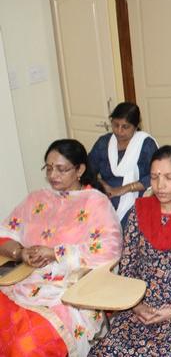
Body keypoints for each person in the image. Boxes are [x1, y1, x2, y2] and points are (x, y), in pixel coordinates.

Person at [89, 146, 171, 356]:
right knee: (107, 351)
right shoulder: (140, 210)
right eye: (154, 177)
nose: (160, 185)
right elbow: (128, 261)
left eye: (169, 177)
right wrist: (136, 305)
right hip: (140, 300)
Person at [0, 139, 122, 356]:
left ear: (79, 170)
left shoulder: (95, 203)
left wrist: (56, 253)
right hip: (22, 279)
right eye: (48, 168)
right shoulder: (37, 198)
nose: (53, 175)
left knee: (26, 346)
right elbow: (6, 232)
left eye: (61, 169)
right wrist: (21, 252)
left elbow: (109, 249)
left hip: (65, 287)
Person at [88, 102, 158, 224]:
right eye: (115, 125)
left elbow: (156, 176)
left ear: (136, 127)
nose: (119, 131)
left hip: (137, 196)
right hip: (106, 195)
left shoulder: (146, 144)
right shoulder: (104, 142)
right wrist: (105, 186)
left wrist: (123, 189)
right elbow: (88, 169)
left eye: (125, 127)